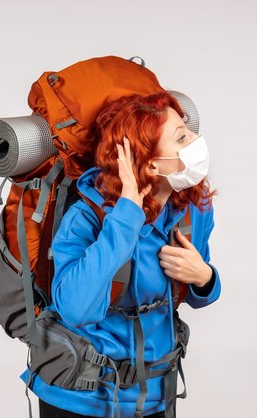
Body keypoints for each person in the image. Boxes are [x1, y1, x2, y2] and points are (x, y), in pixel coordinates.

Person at [20, 91, 222, 418]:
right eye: (182, 137)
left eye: (191, 131)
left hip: (155, 393)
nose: (197, 140)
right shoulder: (86, 217)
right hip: (78, 397)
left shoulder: (193, 209)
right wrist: (126, 216)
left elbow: (194, 293)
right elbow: (76, 309)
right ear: (150, 160)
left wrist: (205, 278)